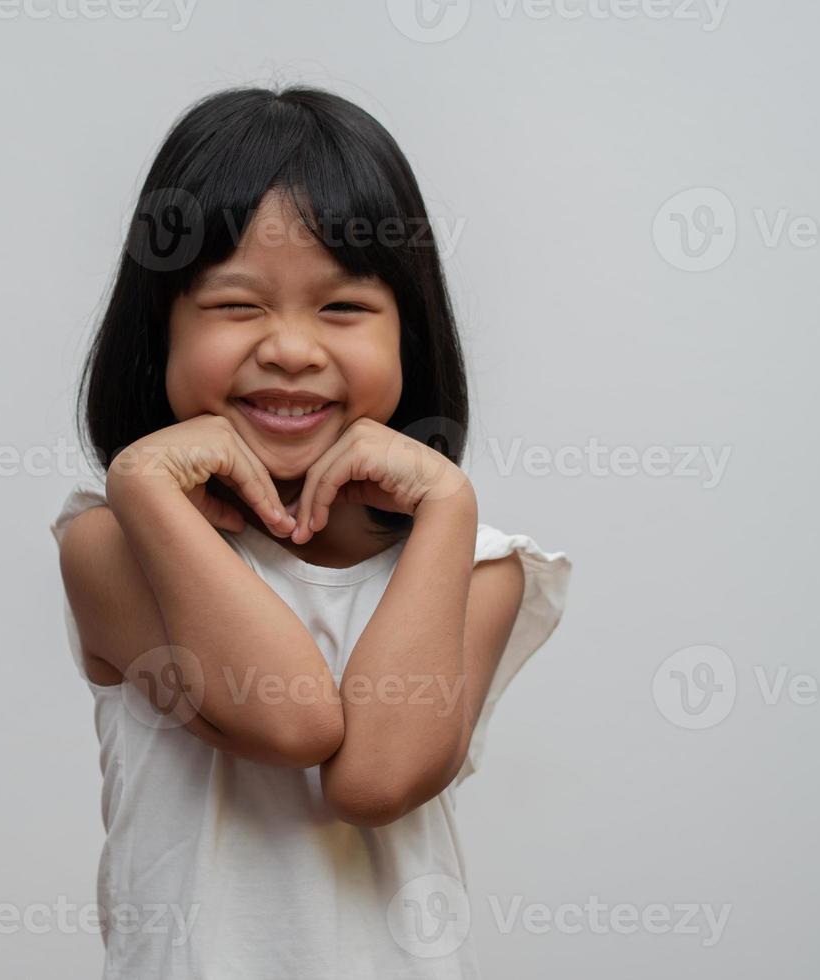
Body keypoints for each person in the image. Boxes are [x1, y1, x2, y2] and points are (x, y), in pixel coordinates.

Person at [50, 84, 571, 979]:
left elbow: (371, 780)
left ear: (411, 337)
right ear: (158, 334)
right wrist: (143, 479)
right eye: (236, 305)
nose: (291, 348)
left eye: (342, 309)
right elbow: (289, 719)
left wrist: (449, 508)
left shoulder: (480, 571)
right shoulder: (112, 544)